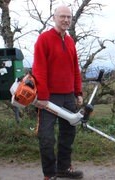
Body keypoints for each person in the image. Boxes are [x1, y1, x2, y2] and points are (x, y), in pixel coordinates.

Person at [32, 5, 84, 180]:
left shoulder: (70, 41)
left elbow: (75, 69)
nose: (66, 20)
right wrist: (43, 97)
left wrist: (78, 92)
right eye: (62, 16)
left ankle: (64, 169)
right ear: (54, 18)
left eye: (69, 17)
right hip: (48, 98)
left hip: (68, 96)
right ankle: (49, 174)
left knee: (68, 135)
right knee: (46, 137)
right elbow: (39, 69)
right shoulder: (44, 39)